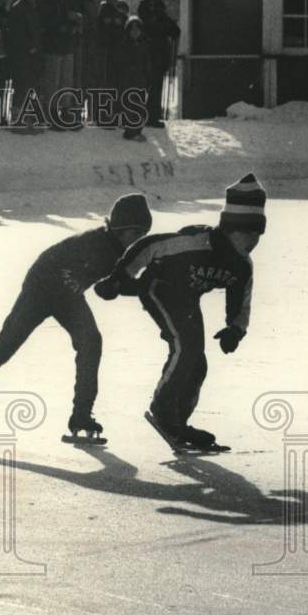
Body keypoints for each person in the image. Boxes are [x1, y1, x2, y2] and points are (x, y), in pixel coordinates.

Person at [0, 194, 154, 444]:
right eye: (134, 233)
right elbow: (50, 262)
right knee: (2, 350)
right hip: (40, 290)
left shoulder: (116, 250)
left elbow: (109, 285)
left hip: (66, 294)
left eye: (141, 233)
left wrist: (144, 286)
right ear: (120, 229)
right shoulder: (94, 242)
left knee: (91, 342)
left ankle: (81, 416)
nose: (136, 239)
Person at [94, 174, 266, 449]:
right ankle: (163, 411)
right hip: (158, 289)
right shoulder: (197, 241)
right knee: (187, 346)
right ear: (230, 228)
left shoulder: (242, 265)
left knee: (197, 361)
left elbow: (241, 298)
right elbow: (148, 246)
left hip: (186, 299)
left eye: (258, 234)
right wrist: (119, 277)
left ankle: (177, 423)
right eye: (247, 232)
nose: (253, 240)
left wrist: (235, 328)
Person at [37, 0, 83, 128]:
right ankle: (51, 113)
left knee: (66, 81)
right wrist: (66, 19)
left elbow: (75, 15)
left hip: (67, 45)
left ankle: (65, 111)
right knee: (52, 82)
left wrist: (76, 21)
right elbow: (44, 22)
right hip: (52, 47)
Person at [137, 0, 180, 128]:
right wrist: (167, 27)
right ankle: (146, 115)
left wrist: (173, 28)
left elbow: (167, 23)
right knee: (149, 82)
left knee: (157, 83)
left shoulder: (160, 4)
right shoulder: (145, 4)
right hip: (150, 49)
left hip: (161, 49)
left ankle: (153, 115)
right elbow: (150, 27)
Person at [6, 0, 43, 134]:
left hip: (33, 56)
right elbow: (15, 35)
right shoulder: (18, 9)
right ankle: (17, 121)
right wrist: (29, 47)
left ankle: (28, 120)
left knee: (31, 88)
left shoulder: (35, 8)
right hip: (21, 56)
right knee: (21, 88)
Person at [114, 16, 153, 141]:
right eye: (132, 29)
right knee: (130, 106)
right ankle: (131, 132)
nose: (135, 32)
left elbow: (147, 62)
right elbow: (120, 64)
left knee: (140, 106)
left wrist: (148, 78)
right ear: (128, 30)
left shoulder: (144, 44)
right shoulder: (123, 44)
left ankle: (137, 130)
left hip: (140, 79)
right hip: (127, 80)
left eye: (137, 29)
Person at [96, 0, 126, 101]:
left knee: (115, 79)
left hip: (117, 50)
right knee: (106, 80)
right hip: (106, 51)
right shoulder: (103, 12)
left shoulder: (119, 14)